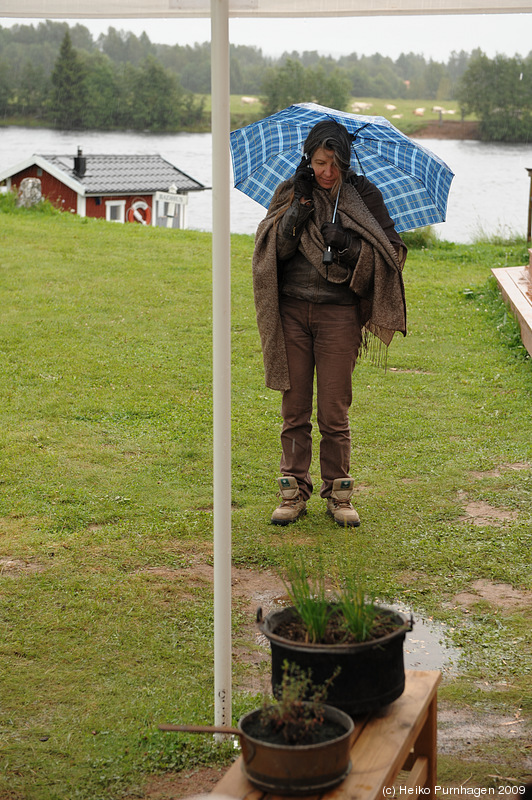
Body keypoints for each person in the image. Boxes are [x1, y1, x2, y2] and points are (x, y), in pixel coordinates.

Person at [252, 119, 407, 528]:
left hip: (339, 314)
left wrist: (349, 245)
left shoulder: (364, 196)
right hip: (291, 313)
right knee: (295, 407)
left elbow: (392, 253)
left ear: (346, 161)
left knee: (334, 411)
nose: (326, 172)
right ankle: (292, 492)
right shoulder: (291, 191)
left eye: (335, 164)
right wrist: (297, 213)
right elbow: (271, 249)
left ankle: (339, 494)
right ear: (309, 158)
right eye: (320, 163)